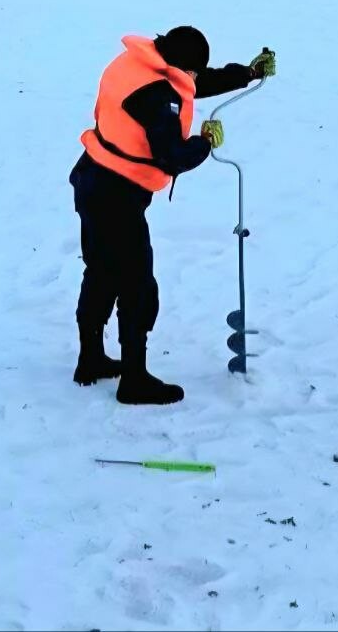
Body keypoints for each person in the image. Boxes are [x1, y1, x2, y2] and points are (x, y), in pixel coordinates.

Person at [71, 26, 275, 405]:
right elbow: (171, 157)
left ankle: (91, 358)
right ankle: (133, 380)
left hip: (91, 177)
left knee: (100, 271)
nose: (196, 79)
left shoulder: (136, 63)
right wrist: (203, 142)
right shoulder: (157, 95)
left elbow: (192, 82)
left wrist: (247, 73)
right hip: (117, 197)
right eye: (195, 71)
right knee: (137, 286)